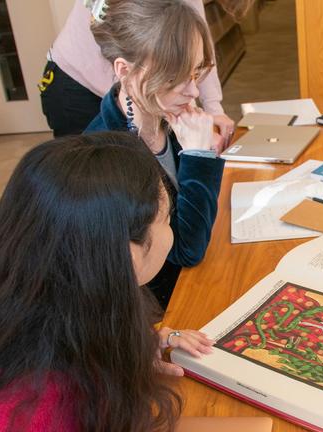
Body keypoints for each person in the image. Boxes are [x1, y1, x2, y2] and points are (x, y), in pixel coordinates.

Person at [0, 132, 213, 431]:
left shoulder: (34, 306)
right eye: (167, 218)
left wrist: (139, 346)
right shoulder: (19, 414)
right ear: (126, 256)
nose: (172, 230)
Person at [84, 0, 226, 309]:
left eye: (196, 71)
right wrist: (199, 156)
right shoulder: (107, 155)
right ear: (125, 70)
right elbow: (186, 249)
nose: (193, 92)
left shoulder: (170, 115)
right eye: (175, 78)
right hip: (160, 308)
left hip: (191, 285)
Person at [39, 0, 235, 138]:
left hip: (132, 83)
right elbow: (128, 47)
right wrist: (183, 102)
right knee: (98, 181)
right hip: (77, 83)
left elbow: (196, 37)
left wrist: (213, 109)